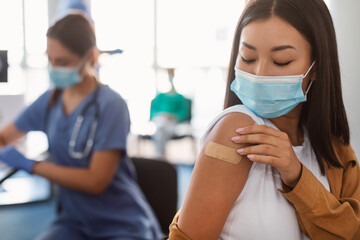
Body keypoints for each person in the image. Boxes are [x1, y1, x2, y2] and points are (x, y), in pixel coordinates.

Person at [169, 0, 360, 239]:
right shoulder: (236, 132)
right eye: (247, 57)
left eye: (282, 61)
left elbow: (350, 232)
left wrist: (297, 175)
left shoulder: (336, 151)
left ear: (315, 67)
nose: (259, 74)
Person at [0, 13, 164, 240]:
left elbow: (96, 181)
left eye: (63, 61)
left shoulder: (111, 105)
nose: (54, 67)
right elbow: (3, 137)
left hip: (122, 223)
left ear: (89, 57)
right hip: (74, 222)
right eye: (50, 59)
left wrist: (31, 165)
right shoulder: (49, 101)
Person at [150, 68, 190, 159]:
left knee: (161, 130)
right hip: (160, 122)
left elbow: (184, 114)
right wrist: (162, 115)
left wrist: (172, 116)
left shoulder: (180, 98)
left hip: (172, 124)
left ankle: (159, 156)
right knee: (160, 127)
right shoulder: (160, 97)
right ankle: (161, 156)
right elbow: (153, 113)